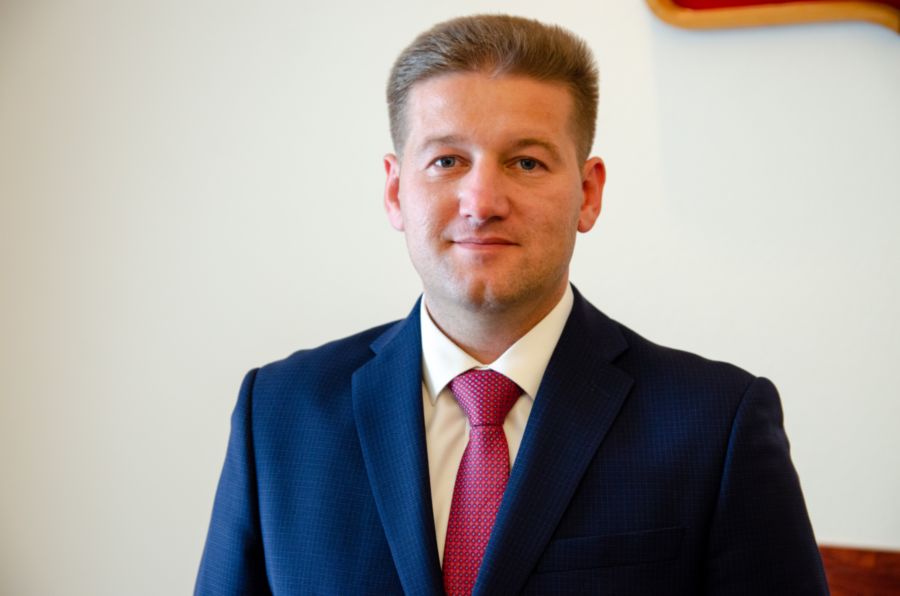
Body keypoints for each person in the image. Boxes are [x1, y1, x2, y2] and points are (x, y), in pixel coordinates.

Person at [195, 14, 829, 595]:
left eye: (526, 162)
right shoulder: (277, 414)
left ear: (588, 193)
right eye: (447, 160)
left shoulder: (716, 424)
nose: (482, 202)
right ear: (395, 191)